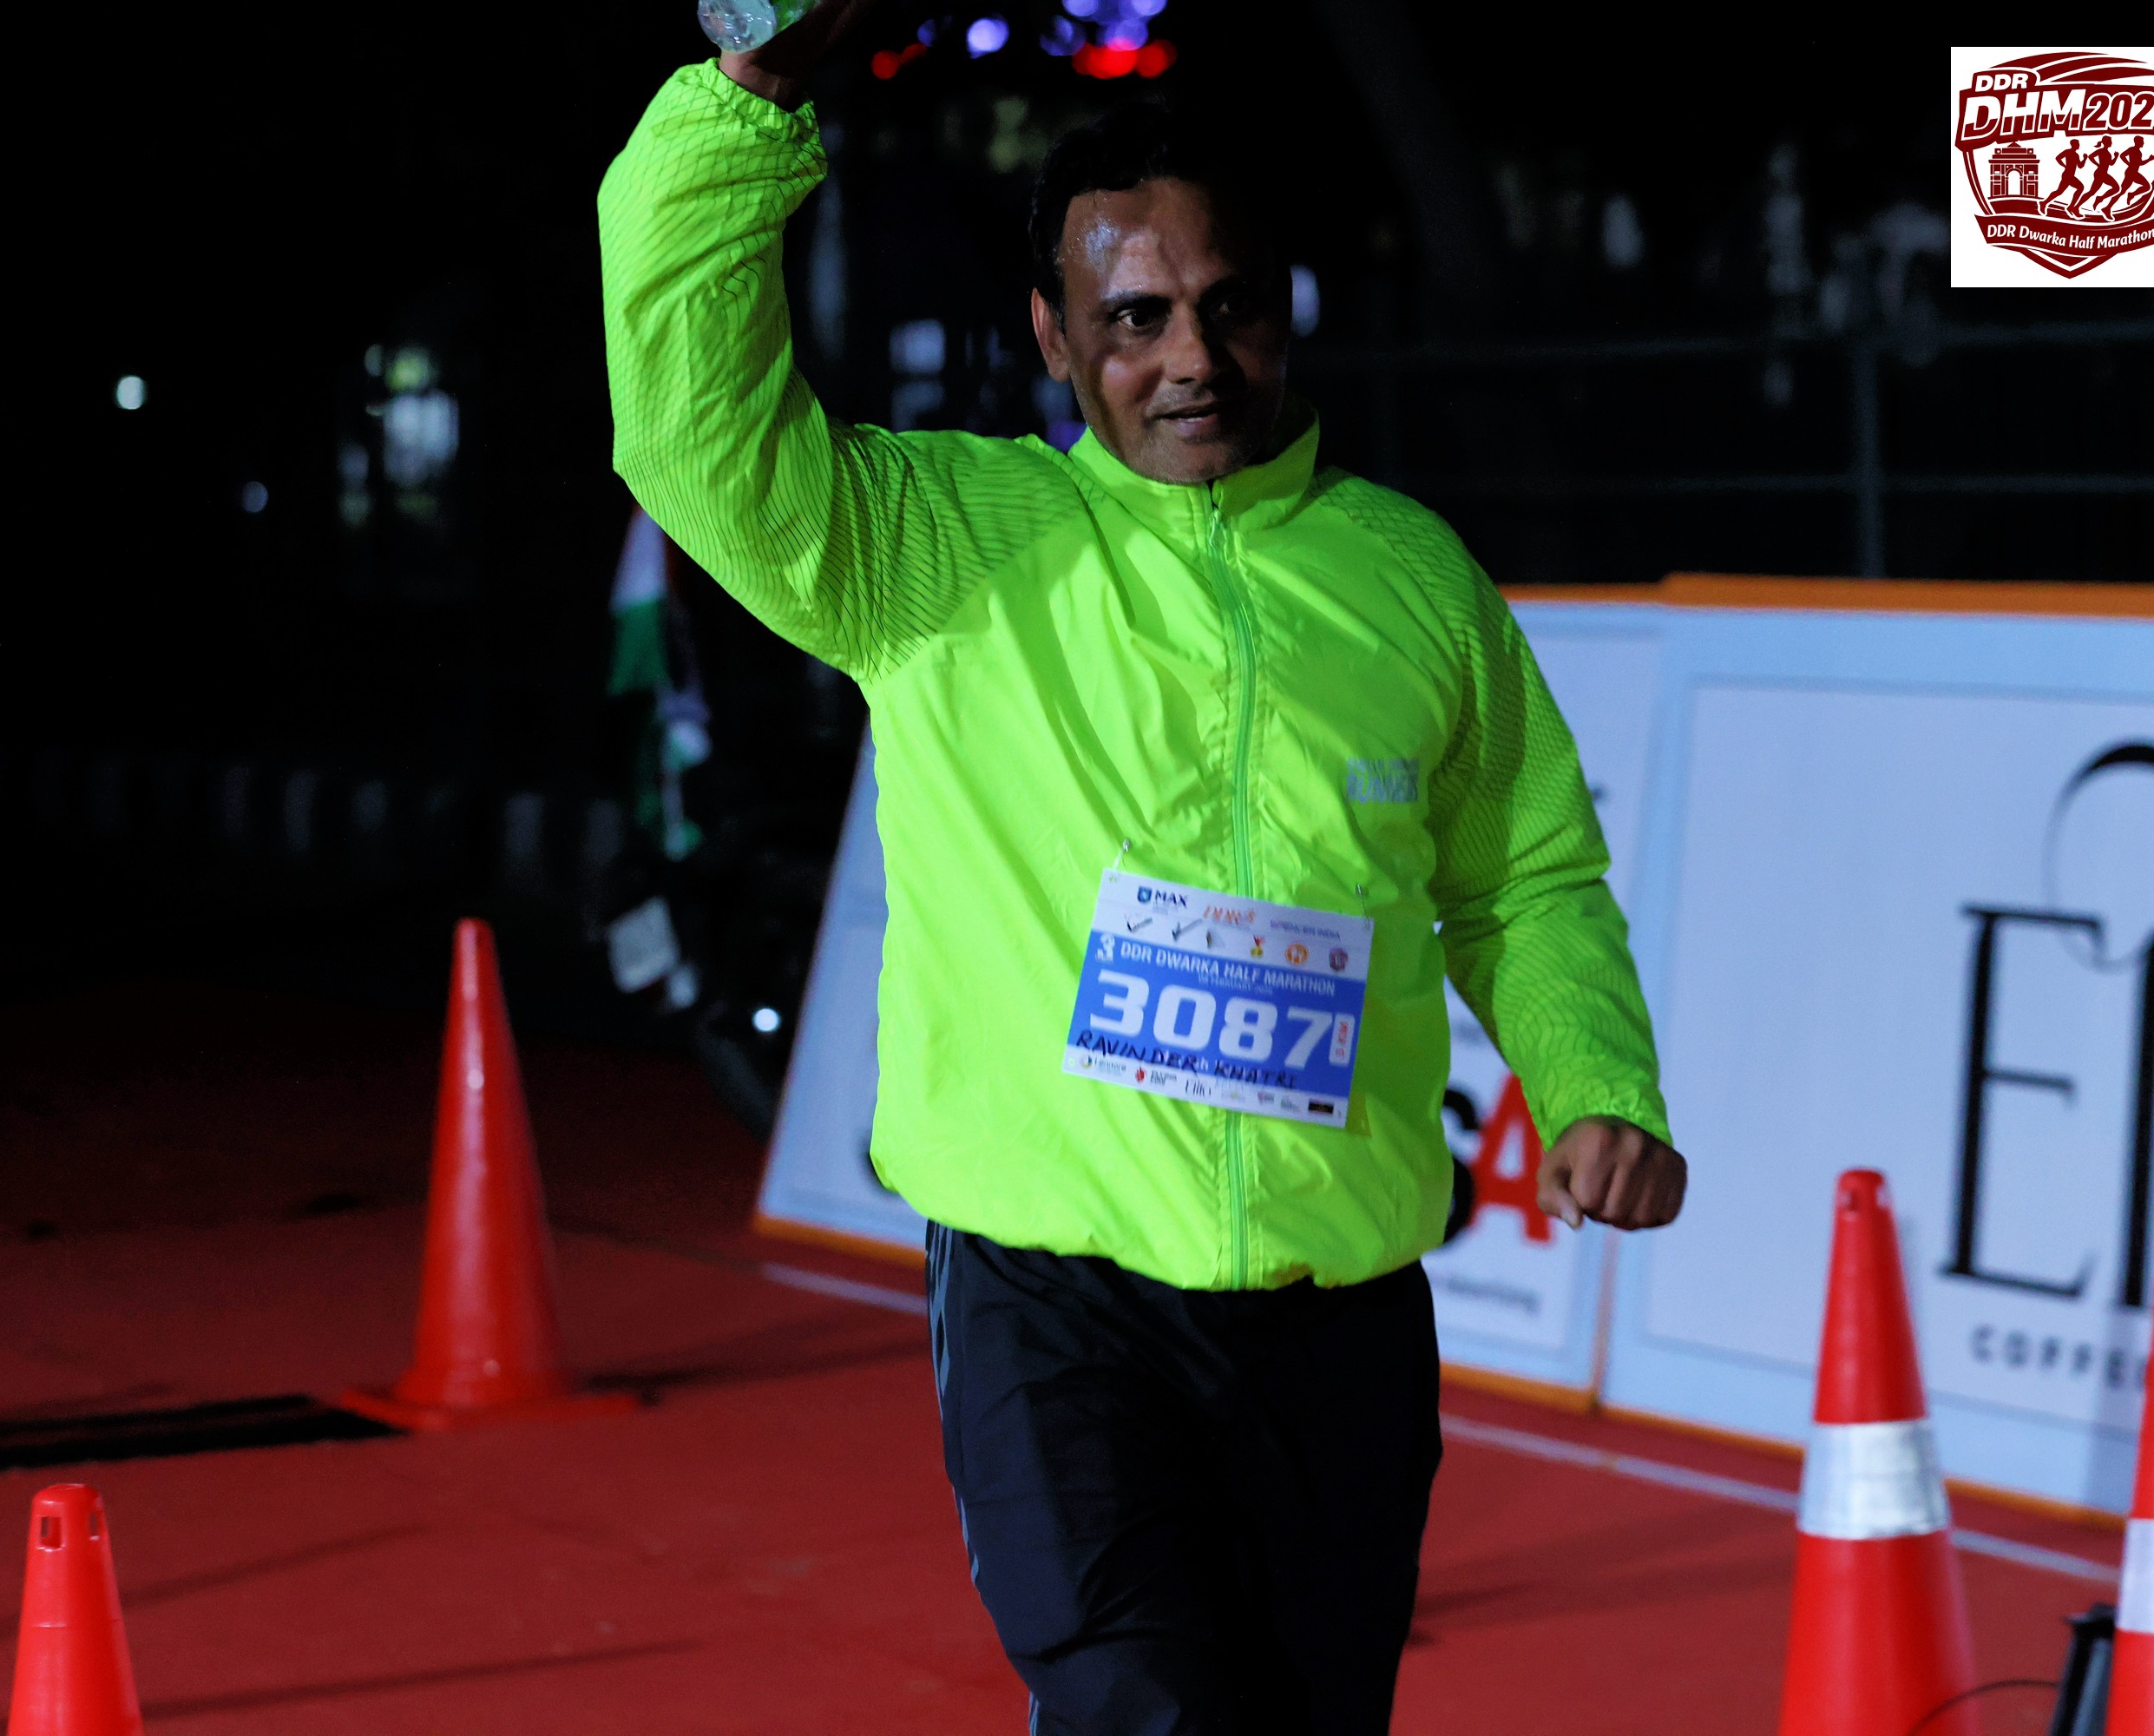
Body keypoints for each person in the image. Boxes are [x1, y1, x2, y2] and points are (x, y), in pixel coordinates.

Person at [599, 5, 1687, 1729]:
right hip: (1059, 1307)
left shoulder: (1413, 579)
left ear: (1284, 306)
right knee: (1145, 1710)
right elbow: (692, 436)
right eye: (1132, 318)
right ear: (1052, 334)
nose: (1191, 358)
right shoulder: (936, 549)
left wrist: (1595, 1081)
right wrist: (745, 107)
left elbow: (1524, 878)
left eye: (1228, 306)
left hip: (1340, 1313)